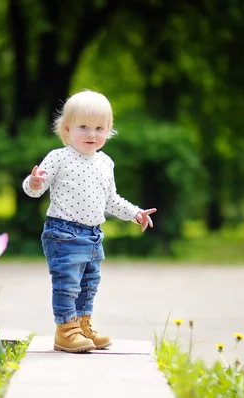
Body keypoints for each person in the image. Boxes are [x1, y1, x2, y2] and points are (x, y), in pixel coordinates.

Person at [22, 90, 156, 353]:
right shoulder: (59, 157)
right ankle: (65, 329)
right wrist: (33, 182)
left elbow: (111, 200)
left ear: (109, 131)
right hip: (63, 234)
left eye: (99, 128)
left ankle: (83, 324)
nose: (92, 134)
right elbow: (36, 189)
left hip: (94, 235)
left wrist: (135, 213)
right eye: (83, 127)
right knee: (67, 283)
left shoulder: (106, 163)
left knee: (88, 284)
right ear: (67, 129)